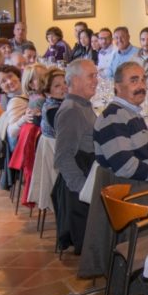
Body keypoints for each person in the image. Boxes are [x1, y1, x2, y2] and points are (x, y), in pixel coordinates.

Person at [93, 62, 148, 214]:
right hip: (136, 197)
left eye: (143, 80)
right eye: (134, 80)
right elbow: (125, 167)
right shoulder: (113, 118)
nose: (142, 86)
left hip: (143, 187)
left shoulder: (131, 113)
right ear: (118, 86)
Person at [53, 59, 99, 253]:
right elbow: (63, 157)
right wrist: (84, 191)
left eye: (96, 75)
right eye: (91, 76)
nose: (96, 80)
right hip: (82, 186)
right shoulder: (72, 110)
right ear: (74, 80)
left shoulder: (82, 105)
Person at [40, 67, 66, 139]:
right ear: (48, 93)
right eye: (57, 86)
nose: (64, 87)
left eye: (65, 82)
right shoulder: (52, 110)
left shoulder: (61, 100)